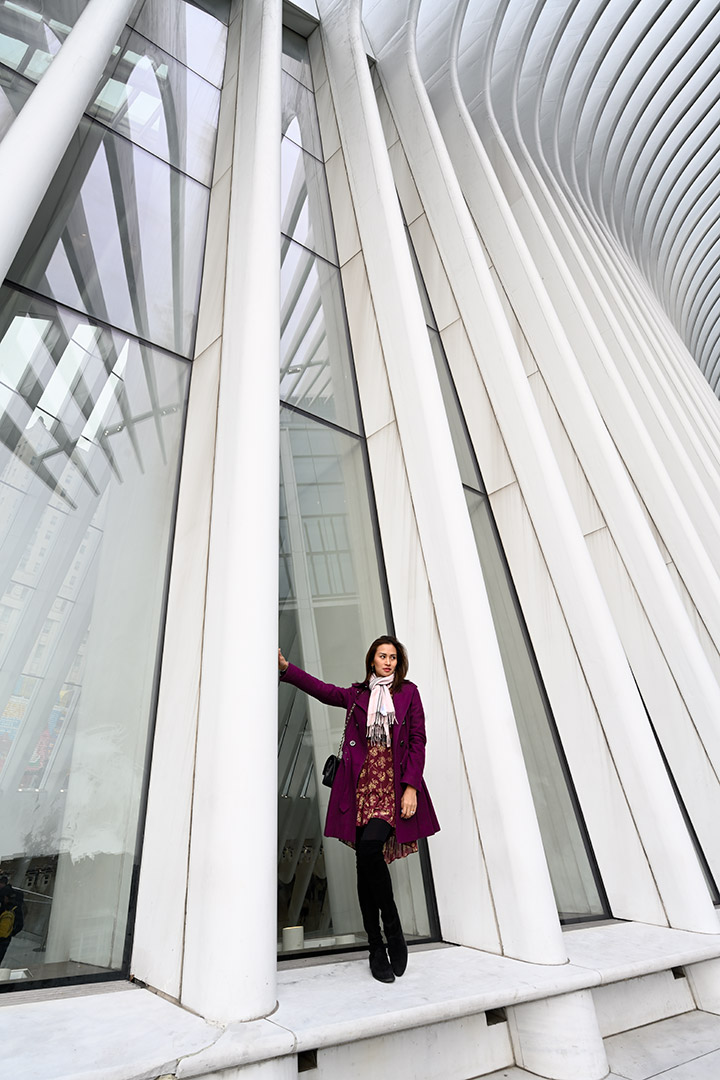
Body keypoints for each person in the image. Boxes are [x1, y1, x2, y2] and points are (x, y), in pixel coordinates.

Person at [279, 636, 440, 983]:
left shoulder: (408, 693)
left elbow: (418, 741)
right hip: (362, 788)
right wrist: (287, 669)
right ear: (372, 661)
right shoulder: (357, 696)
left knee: (369, 851)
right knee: (365, 864)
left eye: (393, 657)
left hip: (392, 788)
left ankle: (392, 927)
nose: (388, 661)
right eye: (383, 656)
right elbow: (323, 691)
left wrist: (411, 787)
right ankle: (376, 946)